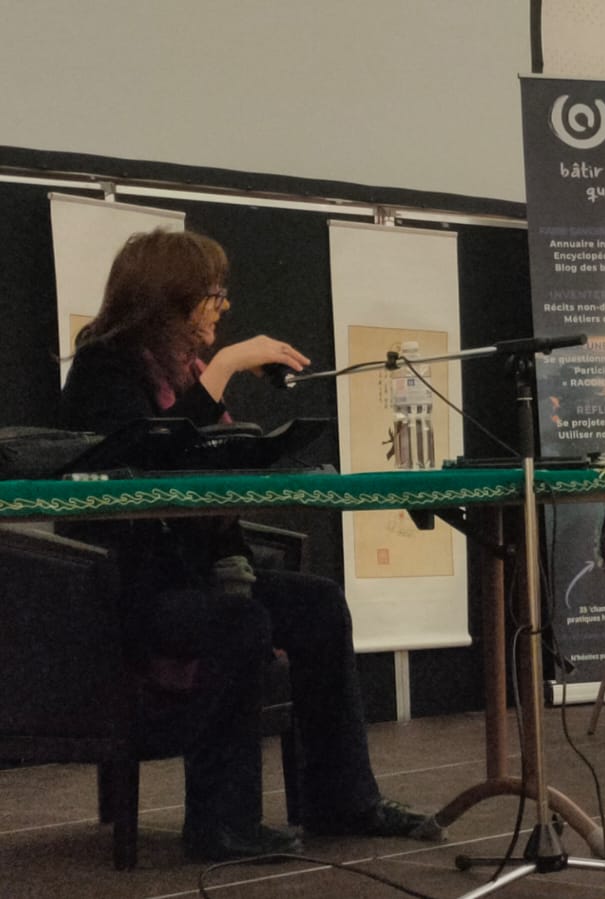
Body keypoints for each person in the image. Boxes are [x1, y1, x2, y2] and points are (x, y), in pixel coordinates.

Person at [58, 229, 434, 862]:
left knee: (318, 605)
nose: (223, 306)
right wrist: (227, 367)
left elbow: (197, 459)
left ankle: (342, 801)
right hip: (126, 587)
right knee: (239, 621)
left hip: (194, 573)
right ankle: (219, 825)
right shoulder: (104, 369)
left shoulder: (181, 370)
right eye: (213, 293)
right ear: (170, 297)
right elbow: (156, 457)